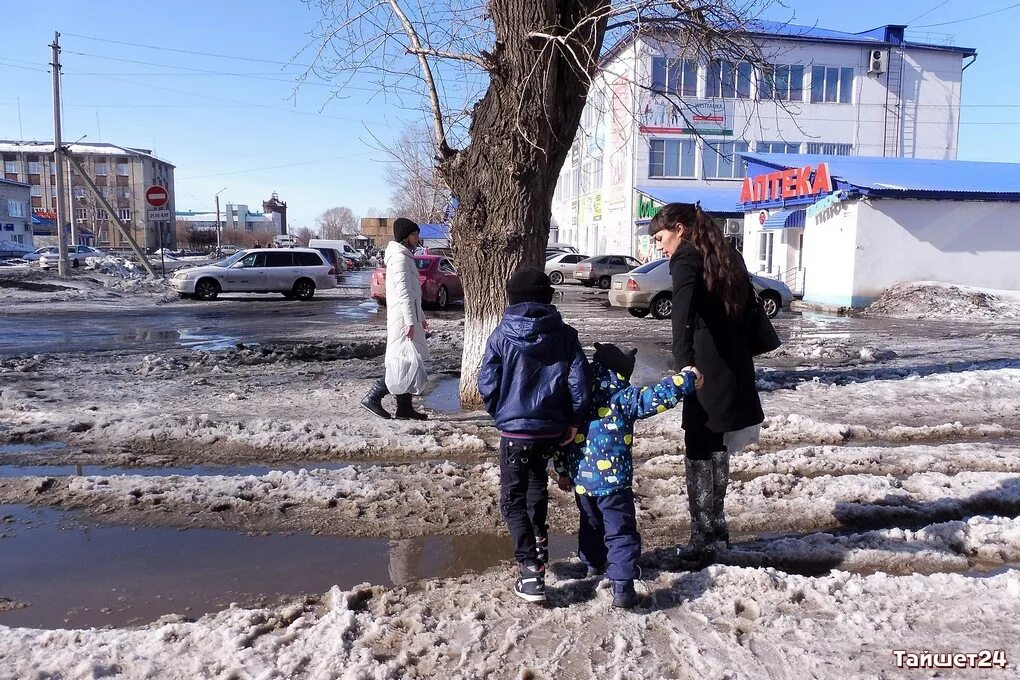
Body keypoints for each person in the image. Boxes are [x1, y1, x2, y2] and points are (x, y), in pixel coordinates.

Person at [648, 202, 764, 567]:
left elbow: (680, 313)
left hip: (703, 368)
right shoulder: (725, 253)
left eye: (661, 237)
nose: (659, 246)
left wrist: (683, 363)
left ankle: (702, 537)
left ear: (679, 229)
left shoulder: (685, 257)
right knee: (716, 446)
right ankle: (717, 530)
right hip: (732, 364)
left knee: (699, 446)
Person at [478, 266, 592, 604]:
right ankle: (538, 544)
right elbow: (579, 382)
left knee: (511, 498)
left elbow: (487, 381)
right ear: (548, 299)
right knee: (537, 486)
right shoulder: (566, 335)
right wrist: (574, 420)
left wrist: (500, 412)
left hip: (515, 432)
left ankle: (530, 570)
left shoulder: (501, 334)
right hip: (551, 429)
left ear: (512, 300)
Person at [554, 343, 697, 608]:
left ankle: (592, 565)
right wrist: (686, 378)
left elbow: (562, 442)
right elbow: (657, 396)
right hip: (614, 485)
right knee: (620, 532)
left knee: (590, 523)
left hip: (583, 484)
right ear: (621, 373)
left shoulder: (577, 402)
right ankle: (622, 587)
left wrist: (562, 472)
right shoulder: (624, 398)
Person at [361, 217, 429, 420]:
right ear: (405, 237)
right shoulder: (399, 259)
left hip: (409, 316)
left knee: (407, 360)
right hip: (402, 318)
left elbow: (414, 294)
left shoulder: (404, 256)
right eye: (414, 234)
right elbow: (403, 293)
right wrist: (410, 321)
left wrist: (421, 317)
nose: (417, 238)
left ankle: (404, 407)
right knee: (401, 360)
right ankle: (373, 397)